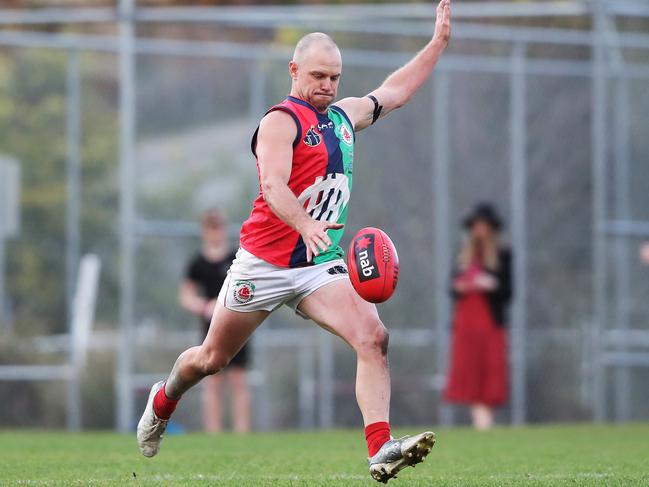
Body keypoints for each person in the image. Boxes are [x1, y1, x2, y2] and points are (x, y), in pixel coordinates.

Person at [137, 1, 451, 483]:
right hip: (262, 263)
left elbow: (395, 92)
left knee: (374, 337)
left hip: (317, 265)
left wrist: (435, 46)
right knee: (211, 360)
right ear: (294, 70)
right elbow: (274, 187)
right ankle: (163, 401)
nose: (327, 86)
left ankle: (380, 449)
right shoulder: (280, 121)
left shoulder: (345, 118)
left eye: (335, 78)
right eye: (319, 75)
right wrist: (305, 224)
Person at [179, 209, 251, 433]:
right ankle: (214, 433)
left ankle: (242, 433)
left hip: (239, 324)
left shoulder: (237, 258)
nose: (215, 233)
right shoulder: (197, 263)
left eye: (218, 227)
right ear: (204, 232)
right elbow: (185, 296)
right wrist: (204, 306)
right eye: (210, 228)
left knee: (239, 381)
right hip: (210, 328)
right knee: (212, 379)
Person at [443, 203, 512, 431]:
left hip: (489, 322)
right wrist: (462, 286)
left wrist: (490, 284)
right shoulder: (463, 256)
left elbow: (508, 291)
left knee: (490, 367)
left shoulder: (503, 255)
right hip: (466, 321)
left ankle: (484, 420)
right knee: (470, 367)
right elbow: (452, 289)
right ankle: (480, 421)